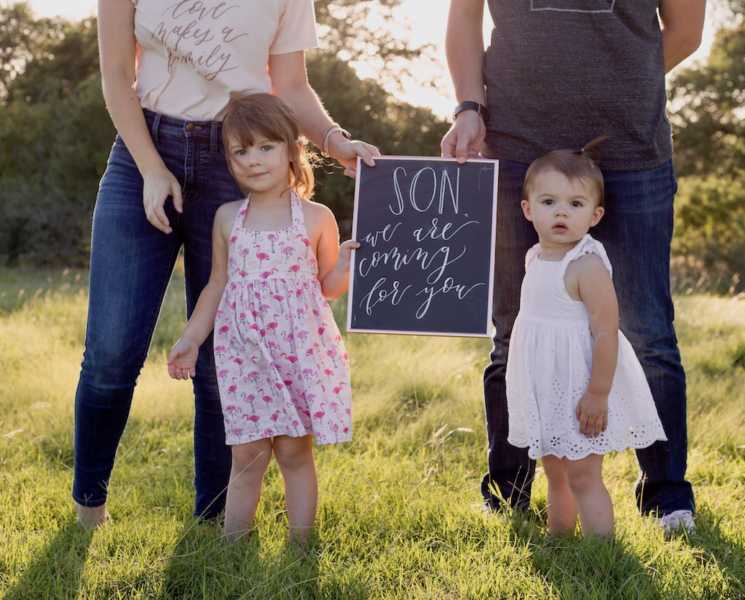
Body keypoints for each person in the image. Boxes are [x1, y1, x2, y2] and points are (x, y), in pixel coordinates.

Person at [74, 0, 378, 528]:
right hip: (143, 147)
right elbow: (118, 74)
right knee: (111, 350)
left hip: (236, 152)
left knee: (224, 363)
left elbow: (291, 86)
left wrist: (334, 140)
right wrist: (151, 169)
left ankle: (215, 520)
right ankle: (89, 507)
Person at [441, 0, 705, 533]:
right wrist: (468, 105)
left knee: (648, 332)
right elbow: (465, 16)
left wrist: (619, 89)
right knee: (513, 330)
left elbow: (686, 31)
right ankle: (508, 495)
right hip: (517, 145)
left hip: (632, 150)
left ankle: (667, 499)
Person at [167, 93, 356, 542]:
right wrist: (192, 338)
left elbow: (326, 288)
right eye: (241, 151)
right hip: (246, 356)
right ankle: (233, 546)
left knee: (294, 453)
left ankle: (300, 545)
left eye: (266, 147)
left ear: (292, 150)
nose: (253, 160)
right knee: (247, 455)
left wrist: (345, 268)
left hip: (298, 353)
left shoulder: (316, 218)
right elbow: (217, 284)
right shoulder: (228, 218)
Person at [505, 140, 667, 537]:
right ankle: (558, 540)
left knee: (583, 475)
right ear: (528, 209)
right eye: (548, 202)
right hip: (546, 385)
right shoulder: (534, 258)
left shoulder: (587, 265)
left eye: (575, 205)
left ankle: (602, 553)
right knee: (555, 473)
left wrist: (597, 393)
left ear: (595, 216)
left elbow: (607, 333)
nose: (561, 211)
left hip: (581, 387)